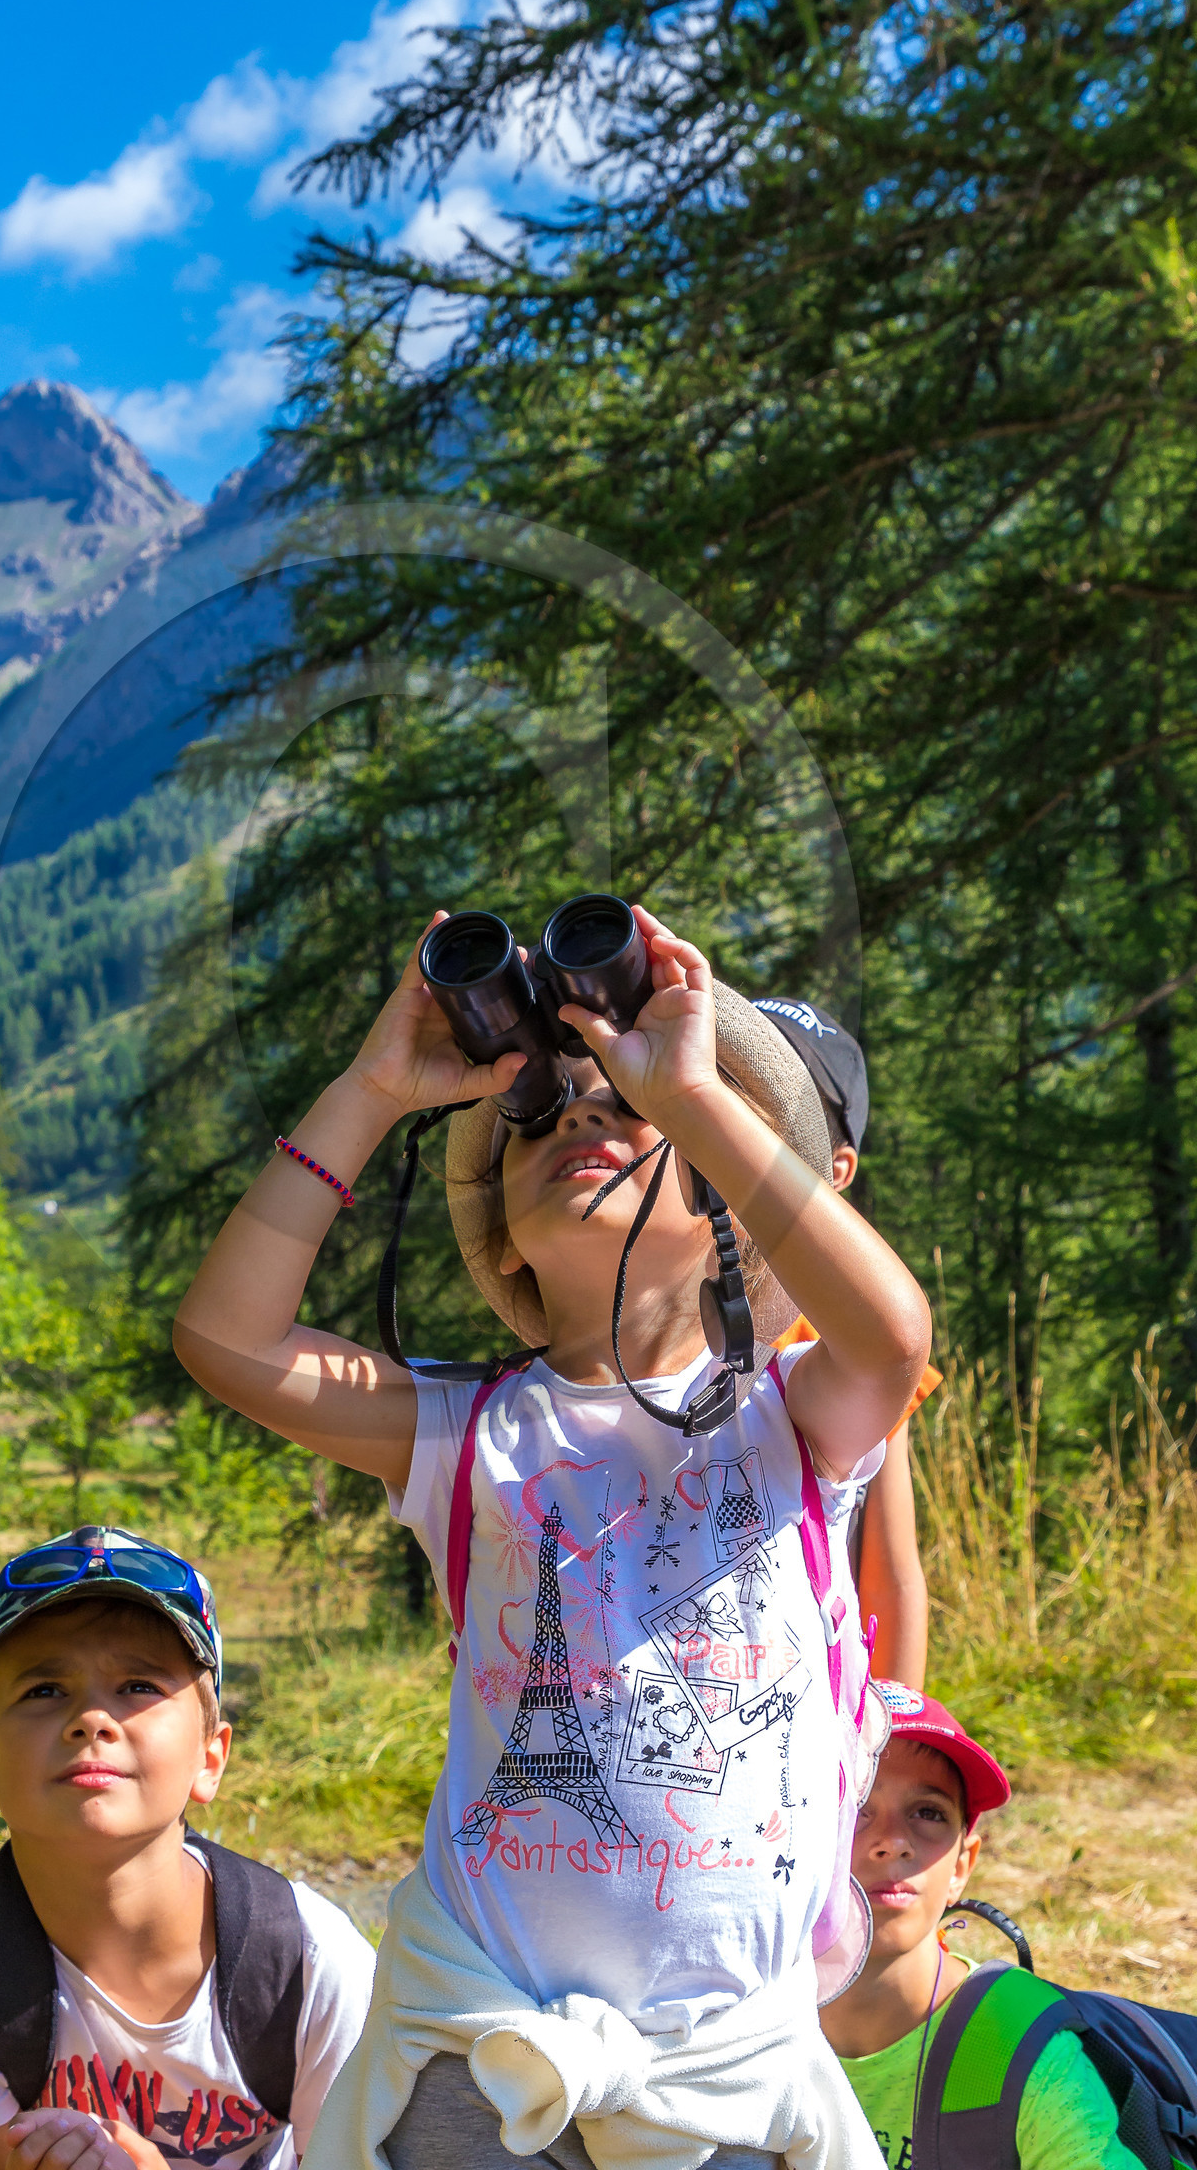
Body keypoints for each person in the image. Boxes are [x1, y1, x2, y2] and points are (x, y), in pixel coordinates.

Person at [174, 907, 932, 2169]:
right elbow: (227, 1338)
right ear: (505, 1237)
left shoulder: (794, 1413)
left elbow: (892, 1334)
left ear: (725, 1200)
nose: (581, 1117)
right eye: (536, 1111)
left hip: (719, 2069)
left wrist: (689, 1090)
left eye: (621, 1114)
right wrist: (373, 1089)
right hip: (485, 2042)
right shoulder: (466, 1433)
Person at [0, 1526, 377, 2170]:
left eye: (139, 1687)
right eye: (43, 1691)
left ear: (211, 1760)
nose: (92, 1718)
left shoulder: (309, 1963)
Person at [820, 1687, 1141, 2168]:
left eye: (928, 1812)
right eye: (856, 1806)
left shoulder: (1017, 2049)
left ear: (961, 1867)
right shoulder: (727, 2020)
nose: (893, 1841)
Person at [752, 997, 935, 1688]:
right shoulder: (633, 1307)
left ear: (837, 1168)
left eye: (780, 1108)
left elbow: (892, 1573)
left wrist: (896, 1742)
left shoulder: (847, 1344)